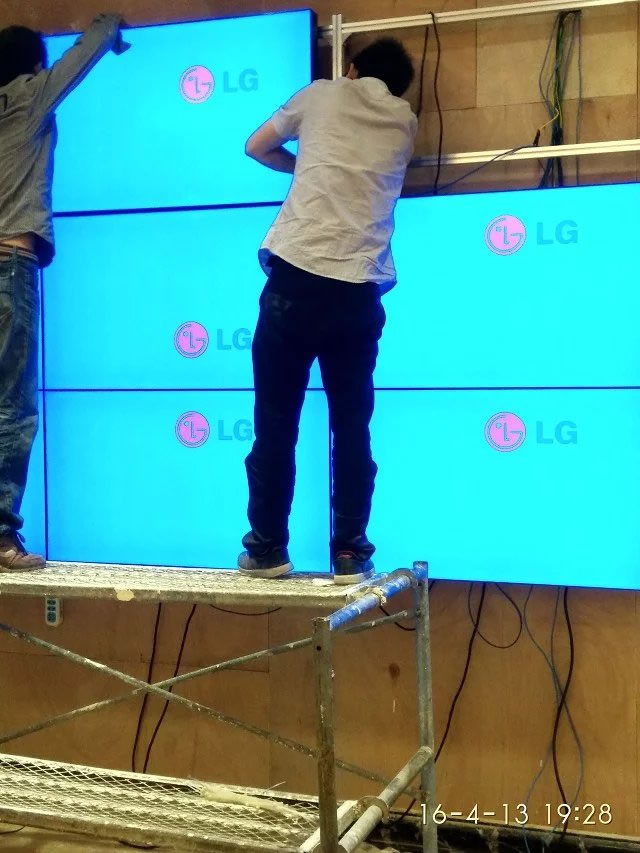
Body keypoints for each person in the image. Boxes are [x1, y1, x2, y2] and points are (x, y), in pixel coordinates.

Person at [238, 38, 417, 585]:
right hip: (358, 291)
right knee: (352, 428)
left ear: (351, 68)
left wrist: (303, 168)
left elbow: (255, 147)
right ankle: (350, 554)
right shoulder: (405, 121)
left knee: (275, 423)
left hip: (296, 278)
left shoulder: (320, 94)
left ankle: (267, 549)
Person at [0, 13, 128, 571]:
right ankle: (0, 536)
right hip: (9, 265)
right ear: (34, 66)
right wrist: (110, 26)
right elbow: (86, 53)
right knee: (12, 405)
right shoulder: (28, 95)